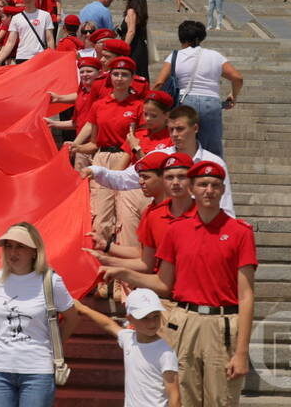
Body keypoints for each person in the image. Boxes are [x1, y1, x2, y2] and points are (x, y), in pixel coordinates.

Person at [102, 161, 256, 407]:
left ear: (222, 190)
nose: (209, 190)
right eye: (203, 184)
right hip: (184, 321)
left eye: (215, 185)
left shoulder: (240, 232)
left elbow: (246, 295)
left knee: (221, 400)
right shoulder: (176, 230)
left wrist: (241, 352)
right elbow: (164, 284)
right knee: (183, 399)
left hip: (223, 323)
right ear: (192, 189)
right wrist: (125, 273)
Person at [0, 223, 79, 407]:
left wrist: (55, 344)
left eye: (20, 246)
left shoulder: (51, 281)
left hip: (37, 372)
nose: (13, 252)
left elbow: (72, 318)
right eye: (8, 246)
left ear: (34, 251)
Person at [81, 105, 236, 216]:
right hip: (166, 225)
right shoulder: (158, 156)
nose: (174, 134)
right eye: (171, 130)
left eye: (180, 129)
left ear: (195, 128)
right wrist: (95, 170)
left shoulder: (213, 162)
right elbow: (123, 179)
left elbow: (226, 205)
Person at [69, 57, 144, 248]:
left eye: (124, 75)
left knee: (125, 216)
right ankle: (99, 264)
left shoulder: (139, 106)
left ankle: (121, 268)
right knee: (100, 214)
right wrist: (76, 147)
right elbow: (94, 143)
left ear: (132, 77)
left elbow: (141, 139)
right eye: (116, 74)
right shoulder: (99, 105)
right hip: (102, 158)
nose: (119, 78)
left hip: (128, 161)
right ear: (109, 76)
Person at [74, 289, 181, 407]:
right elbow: (108, 324)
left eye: (155, 316)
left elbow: (174, 395)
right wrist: (84, 309)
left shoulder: (165, 352)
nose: (152, 323)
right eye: (144, 318)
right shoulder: (128, 338)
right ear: (130, 319)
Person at [152, 21, 243, 158]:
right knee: (212, 150)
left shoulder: (175, 56)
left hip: (185, 102)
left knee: (183, 145)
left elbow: (159, 83)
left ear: (180, 37)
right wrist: (233, 96)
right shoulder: (215, 56)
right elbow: (237, 78)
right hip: (211, 103)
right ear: (201, 37)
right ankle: (213, 174)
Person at [0, 0, 54, 65]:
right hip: (21, 56)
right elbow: (10, 42)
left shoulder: (45, 15)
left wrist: (52, 58)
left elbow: (50, 39)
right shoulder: (16, 18)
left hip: (39, 56)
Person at [118, 0, 150, 80]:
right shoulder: (142, 15)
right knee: (141, 75)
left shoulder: (131, 11)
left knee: (132, 74)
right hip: (141, 48)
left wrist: (123, 49)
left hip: (133, 48)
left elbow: (131, 31)